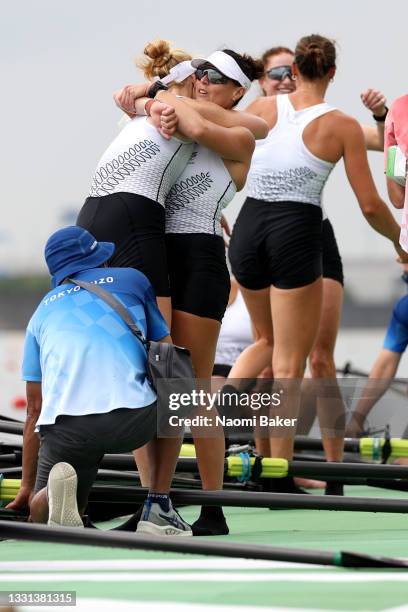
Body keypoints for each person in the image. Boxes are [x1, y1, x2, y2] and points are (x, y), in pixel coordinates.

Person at [227, 34, 408, 487]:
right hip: (296, 229)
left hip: (248, 228)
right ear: (331, 73)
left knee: (264, 341)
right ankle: (279, 477)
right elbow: (370, 205)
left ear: (292, 74)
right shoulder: (341, 124)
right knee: (291, 364)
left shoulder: (264, 109)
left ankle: (222, 404)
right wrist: (398, 242)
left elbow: (218, 130)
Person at [115, 44, 267, 534]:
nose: (202, 81)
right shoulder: (180, 115)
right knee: (154, 383)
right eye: (199, 73)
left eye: (214, 77)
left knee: (193, 389)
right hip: (159, 255)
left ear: (238, 92)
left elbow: (200, 122)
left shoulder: (239, 133)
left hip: (200, 260)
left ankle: (213, 508)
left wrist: (153, 92)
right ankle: (151, 504)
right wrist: (144, 99)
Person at [7, 226, 192, 536]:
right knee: (177, 389)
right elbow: (168, 355)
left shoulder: (40, 312)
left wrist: (26, 485)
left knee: (52, 503)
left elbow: (33, 412)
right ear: (99, 259)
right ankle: (158, 506)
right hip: (133, 419)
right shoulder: (132, 279)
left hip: (67, 430)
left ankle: (48, 499)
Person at [346, 265, 408, 437]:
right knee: (401, 461)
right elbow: (384, 367)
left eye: (403, 252)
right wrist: (357, 420)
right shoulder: (404, 309)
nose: (397, 259)